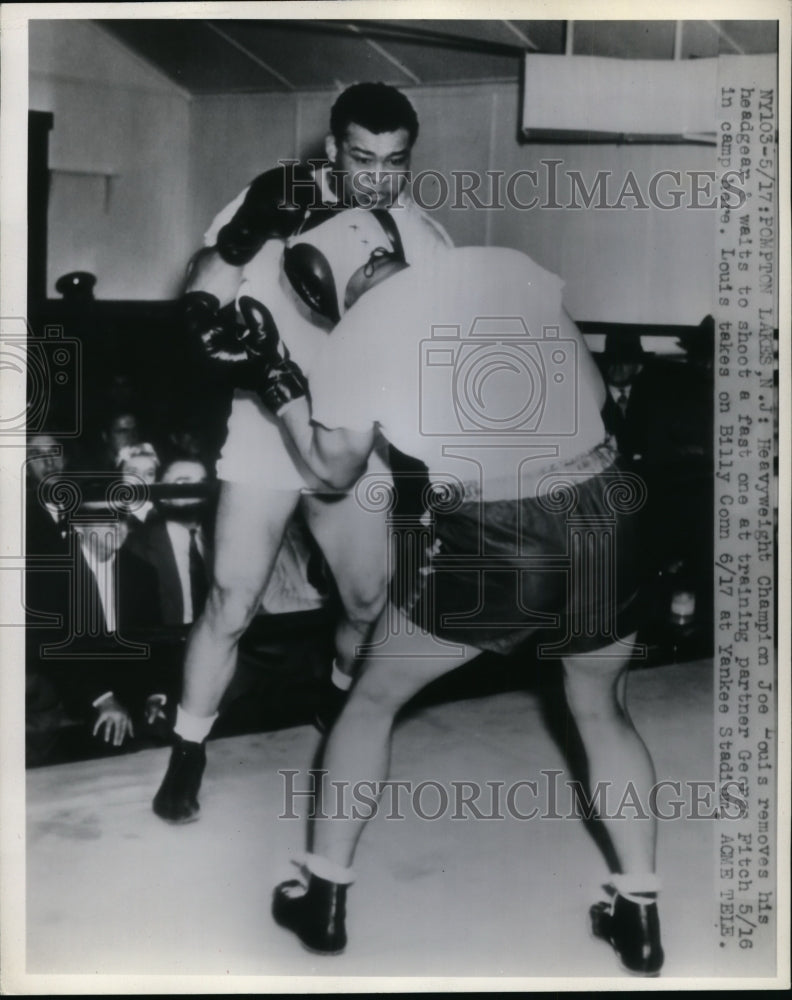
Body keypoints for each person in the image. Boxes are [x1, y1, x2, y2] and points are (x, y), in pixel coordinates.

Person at [239, 245, 664, 975]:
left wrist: (279, 386)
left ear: (325, 298)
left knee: (369, 701)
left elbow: (333, 473)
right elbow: (594, 396)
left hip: (505, 530)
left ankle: (323, 902)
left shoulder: (355, 335)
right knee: (602, 705)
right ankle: (640, 919)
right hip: (608, 506)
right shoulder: (506, 264)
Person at [152, 82, 453, 823]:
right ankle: (187, 750)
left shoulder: (424, 238)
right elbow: (199, 297)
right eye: (361, 157)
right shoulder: (272, 196)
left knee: (364, 602)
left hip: (354, 439)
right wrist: (244, 234)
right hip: (265, 421)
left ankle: (339, 707)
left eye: (395, 160)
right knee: (232, 597)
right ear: (331, 150)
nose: (378, 175)